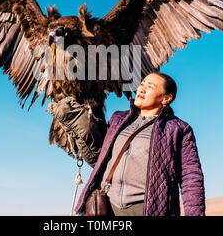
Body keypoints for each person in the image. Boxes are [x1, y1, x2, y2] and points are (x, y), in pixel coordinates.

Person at [47, 71, 205, 216]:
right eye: (141, 84)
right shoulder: (118, 119)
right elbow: (98, 159)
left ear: (166, 98)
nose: (141, 89)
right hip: (105, 206)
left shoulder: (178, 129)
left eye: (150, 86)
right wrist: (79, 125)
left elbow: (191, 178)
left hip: (146, 208)